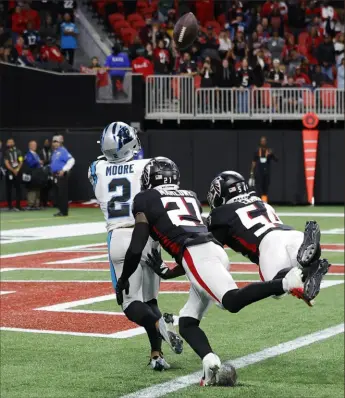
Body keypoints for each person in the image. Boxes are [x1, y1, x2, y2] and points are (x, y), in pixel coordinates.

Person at [116, 157, 305, 386]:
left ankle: (286, 282)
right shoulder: (190, 196)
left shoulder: (144, 199)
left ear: (148, 178)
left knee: (231, 301)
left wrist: (124, 278)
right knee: (187, 321)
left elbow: (137, 246)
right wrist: (167, 272)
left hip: (196, 254)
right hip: (210, 251)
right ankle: (210, 362)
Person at [88, 122, 183, 371]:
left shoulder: (96, 168)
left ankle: (159, 334)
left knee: (131, 304)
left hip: (120, 235)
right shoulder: (148, 165)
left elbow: (103, 171)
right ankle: (156, 354)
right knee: (150, 301)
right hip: (148, 235)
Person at [206, 171, 330, 305]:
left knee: (276, 287)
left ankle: (309, 268)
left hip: (269, 244)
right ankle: (311, 264)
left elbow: (209, 247)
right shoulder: (259, 201)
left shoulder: (219, 215)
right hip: (291, 234)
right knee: (296, 265)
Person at [50, 135, 75, 216]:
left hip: (61, 175)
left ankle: (64, 211)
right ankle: (61, 210)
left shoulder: (63, 151)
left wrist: (64, 169)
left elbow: (71, 160)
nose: (55, 144)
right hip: (55, 175)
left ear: (60, 142)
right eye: (54, 142)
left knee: (62, 194)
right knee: (58, 194)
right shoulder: (55, 152)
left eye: (56, 142)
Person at [249, 136, 278, 203]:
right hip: (259, 173)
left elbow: (276, 159)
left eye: (264, 141)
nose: (263, 142)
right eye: (262, 141)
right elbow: (253, 162)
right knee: (259, 188)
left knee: (265, 189)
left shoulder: (269, 151)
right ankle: (259, 203)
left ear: (266, 142)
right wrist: (251, 173)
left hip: (266, 173)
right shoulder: (257, 151)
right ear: (260, 142)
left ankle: (265, 203)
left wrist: (272, 154)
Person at [4, 138, 23, 211]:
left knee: (18, 189)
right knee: (9, 189)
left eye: (11, 142)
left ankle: (18, 205)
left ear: (14, 143)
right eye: (8, 142)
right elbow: (6, 163)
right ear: (7, 144)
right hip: (10, 172)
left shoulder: (19, 151)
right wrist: (12, 170)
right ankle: (10, 205)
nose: (10, 143)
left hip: (18, 172)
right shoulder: (6, 152)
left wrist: (17, 170)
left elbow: (21, 161)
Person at [24, 140, 42, 210]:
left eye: (35, 145)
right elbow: (30, 163)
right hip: (31, 173)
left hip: (37, 173)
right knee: (32, 189)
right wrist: (38, 162)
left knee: (37, 188)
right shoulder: (28, 154)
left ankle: (36, 204)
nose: (35, 146)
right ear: (29, 146)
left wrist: (41, 163)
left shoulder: (36, 154)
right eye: (33, 145)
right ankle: (31, 204)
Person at [39, 138, 52, 207]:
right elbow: (40, 161)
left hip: (49, 171)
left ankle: (46, 202)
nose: (47, 143)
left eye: (48, 142)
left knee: (48, 186)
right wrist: (45, 162)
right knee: (42, 187)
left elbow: (51, 160)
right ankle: (41, 202)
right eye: (45, 142)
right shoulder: (41, 151)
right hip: (42, 171)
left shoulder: (51, 151)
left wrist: (45, 161)